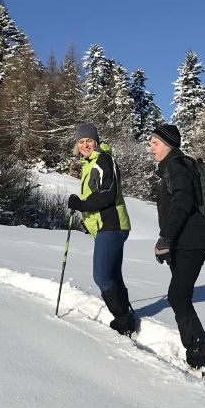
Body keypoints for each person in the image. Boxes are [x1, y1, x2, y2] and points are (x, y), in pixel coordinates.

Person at [149, 123, 205, 370]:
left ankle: (199, 351)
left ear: (168, 145)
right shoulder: (174, 167)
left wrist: (165, 238)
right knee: (180, 295)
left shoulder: (177, 167)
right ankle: (196, 346)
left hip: (193, 240)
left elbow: (182, 203)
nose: (151, 148)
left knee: (178, 295)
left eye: (155, 143)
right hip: (186, 240)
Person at [67, 122, 137, 336]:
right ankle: (126, 316)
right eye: (81, 141)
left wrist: (81, 205)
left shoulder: (103, 159)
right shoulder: (89, 163)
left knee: (102, 277)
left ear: (96, 141)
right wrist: (84, 210)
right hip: (107, 226)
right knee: (114, 275)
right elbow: (96, 193)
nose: (85, 145)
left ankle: (123, 320)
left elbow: (107, 193)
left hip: (111, 225)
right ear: (77, 145)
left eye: (89, 140)